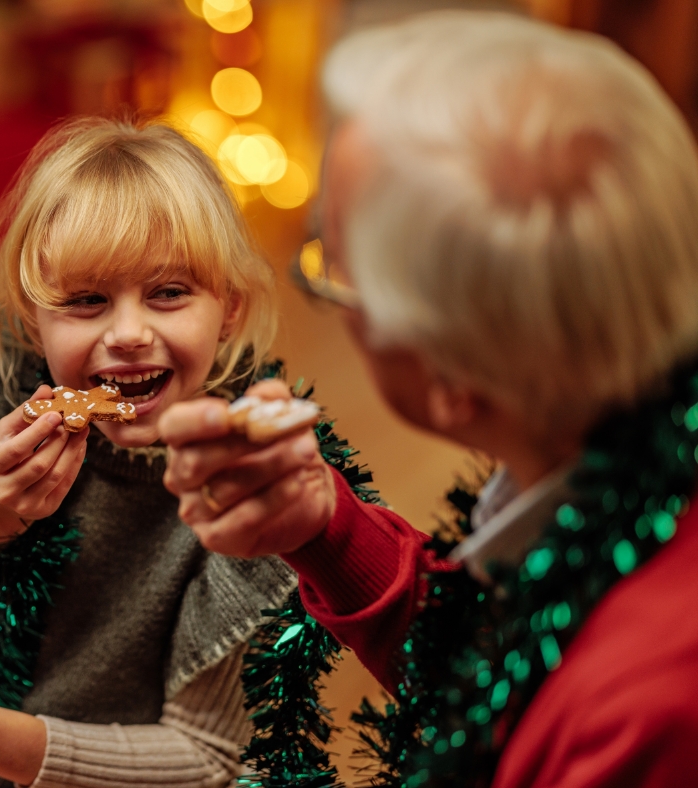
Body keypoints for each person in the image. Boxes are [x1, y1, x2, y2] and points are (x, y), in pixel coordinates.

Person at [160, 12, 698, 787]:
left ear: (451, 383)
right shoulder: (621, 461)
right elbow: (502, 663)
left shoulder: (645, 716)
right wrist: (328, 530)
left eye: (331, 269)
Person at [0, 118, 303, 788]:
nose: (130, 334)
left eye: (169, 293)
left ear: (228, 309)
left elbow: (207, 758)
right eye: (86, 300)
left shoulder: (250, 479)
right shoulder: (5, 402)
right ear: (32, 318)